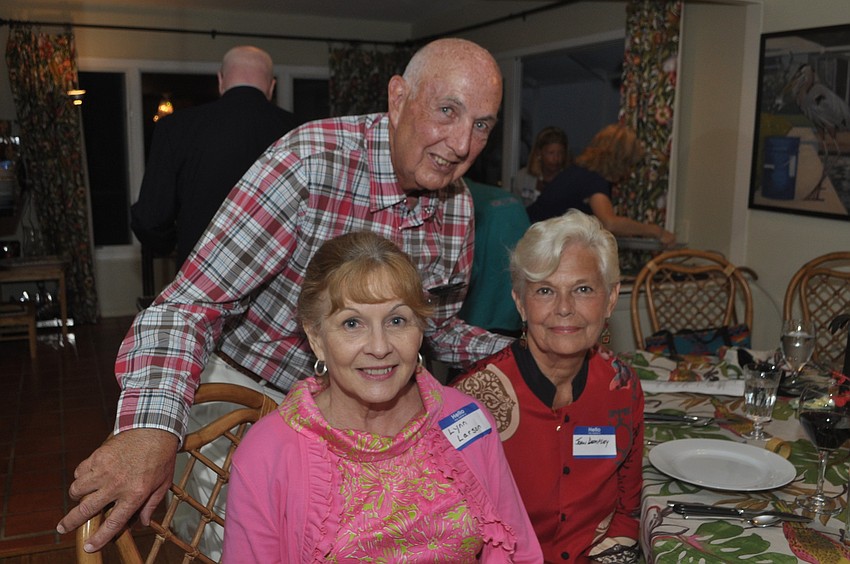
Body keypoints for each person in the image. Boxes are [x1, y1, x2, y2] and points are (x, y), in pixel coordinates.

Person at [60, 37, 516, 553]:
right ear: (398, 98)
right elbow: (189, 305)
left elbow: (436, 328)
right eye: (447, 111)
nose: (462, 144)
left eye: (482, 125)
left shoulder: (456, 207)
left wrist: (522, 352)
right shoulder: (309, 163)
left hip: (353, 416)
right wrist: (151, 429)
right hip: (242, 394)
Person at [222, 231, 542, 562]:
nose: (379, 347)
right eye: (352, 324)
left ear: (420, 328)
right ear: (316, 337)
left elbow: (517, 551)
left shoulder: (464, 416)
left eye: (397, 320)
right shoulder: (268, 452)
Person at [453, 210, 645, 563]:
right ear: (520, 303)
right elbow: (452, 531)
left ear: (610, 298)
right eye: (545, 290)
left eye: (583, 289)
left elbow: (627, 510)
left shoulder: (622, 387)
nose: (564, 308)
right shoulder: (473, 402)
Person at [130, 45, 300, 267]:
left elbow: (150, 220)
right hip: (277, 276)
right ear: (271, 86)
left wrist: (180, 241)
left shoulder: (176, 128)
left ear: (220, 80)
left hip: (203, 275)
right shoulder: (299, 131)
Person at [526, 123, 676, 247]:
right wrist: (656, 231)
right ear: (620, 161)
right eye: (629, 164)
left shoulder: (582, 172)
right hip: (532, 238)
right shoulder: (593, 179)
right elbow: (610, 222)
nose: (629, 171)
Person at [511, 126, 569, 206]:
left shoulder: (570, 179)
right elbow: (516, 207)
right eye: (551, 153)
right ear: (539, 153)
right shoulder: (522, 177)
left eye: (560, 153)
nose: (556, 158)